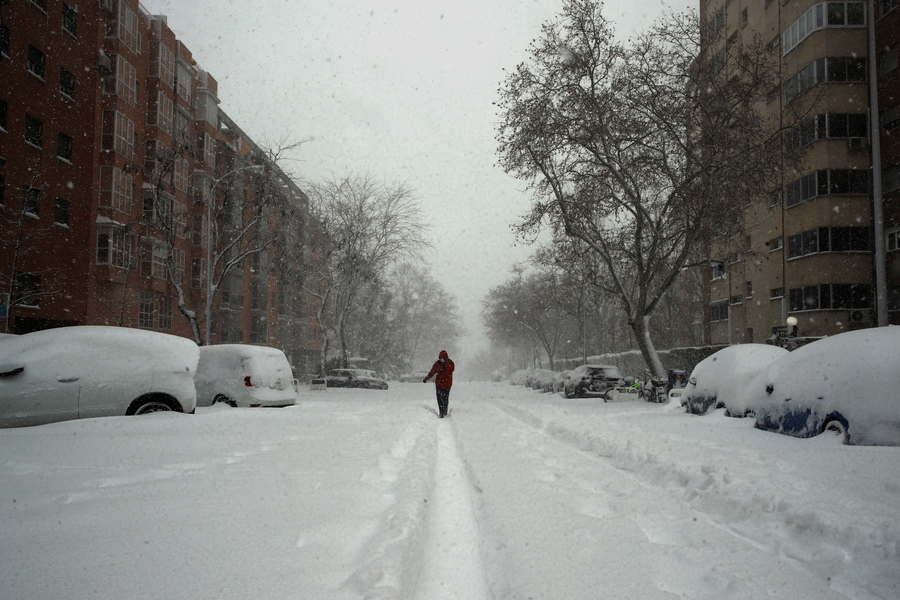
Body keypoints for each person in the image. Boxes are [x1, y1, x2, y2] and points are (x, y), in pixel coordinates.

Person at [423, 350, 455, 418]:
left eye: (443, 359)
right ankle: (441, 412)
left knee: (445, 398)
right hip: (439, 384)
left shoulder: (450, 363)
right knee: (439, 398)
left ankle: (445, 412)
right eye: (440, 358)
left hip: (447, 385)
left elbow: (451, 369)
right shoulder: (437, 364)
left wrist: (446, 363)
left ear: (446, 357)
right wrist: (427, 378)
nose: (441, 360)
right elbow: (432, 372)